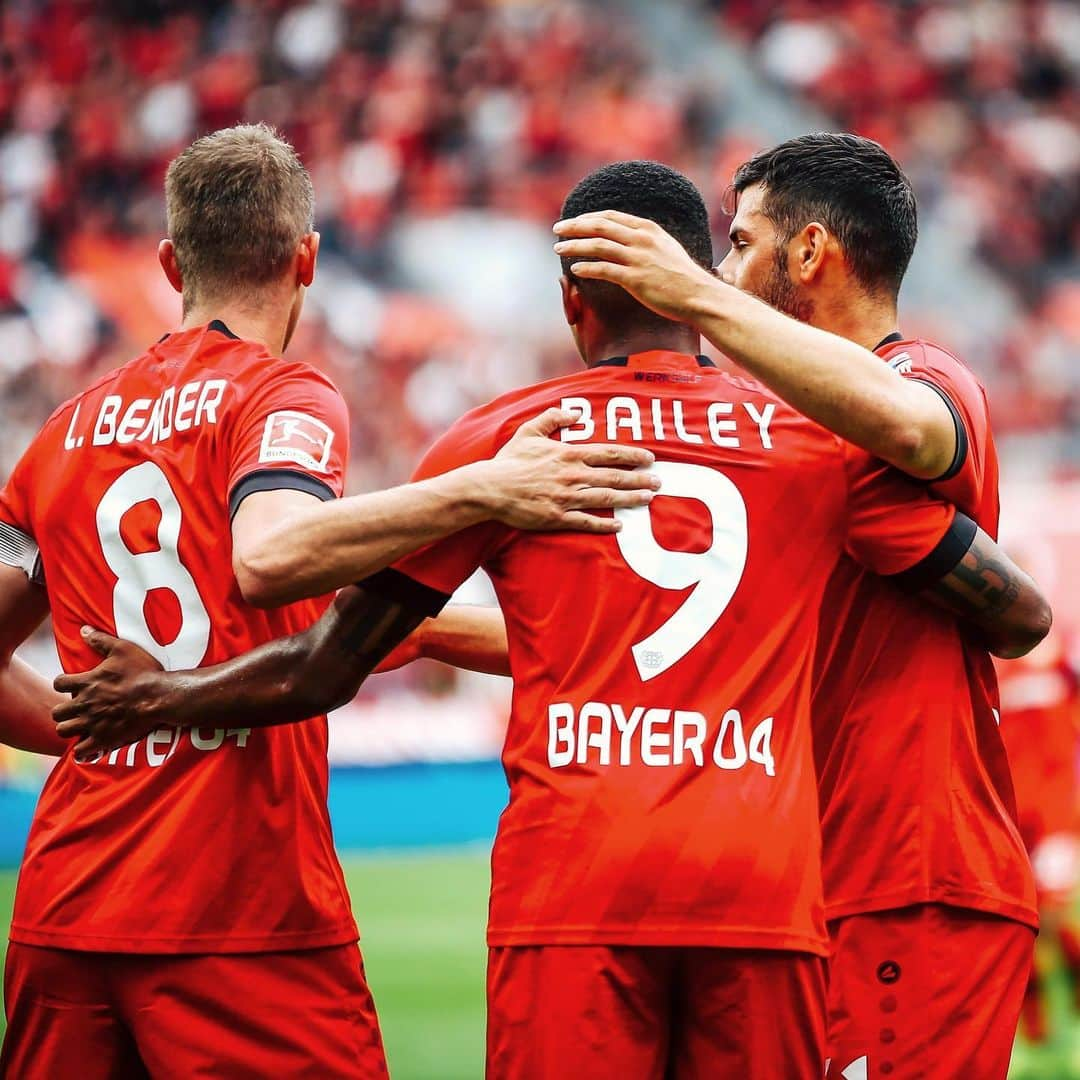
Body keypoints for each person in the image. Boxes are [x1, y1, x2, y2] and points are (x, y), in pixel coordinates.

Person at [54, 160, 1050, 1079]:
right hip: (766, 893)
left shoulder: (503, 443)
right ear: (689, 290)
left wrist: (159, 696)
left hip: (573, 890)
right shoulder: (818, 449)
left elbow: (320, 669)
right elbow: (1015, 611)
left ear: (573, 302)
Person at [0, 124, 660, 1080]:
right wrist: (481, 489)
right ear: (307, 259)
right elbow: (268, 562)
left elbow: (394, 625)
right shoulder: (283, 399)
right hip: (238, 911)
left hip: (64, 907)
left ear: (169, 263)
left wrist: (97, 732)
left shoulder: (62, 433)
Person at [551, 133, 1039, 1077]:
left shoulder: (925, 379)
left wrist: (686, 293)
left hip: (910, 871)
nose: (719, 271)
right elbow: (655, 634)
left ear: (810, 253)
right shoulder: (791, 447)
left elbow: (916, 437)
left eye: (738, 244)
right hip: (815, 879)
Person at [996, 627, 1080, 1043]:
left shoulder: (1061, 669)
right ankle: (1034, 1027)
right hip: (1009, 817)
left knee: (1051, 917)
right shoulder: (994, 672)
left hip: (1053, 817)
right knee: (1020, 921)